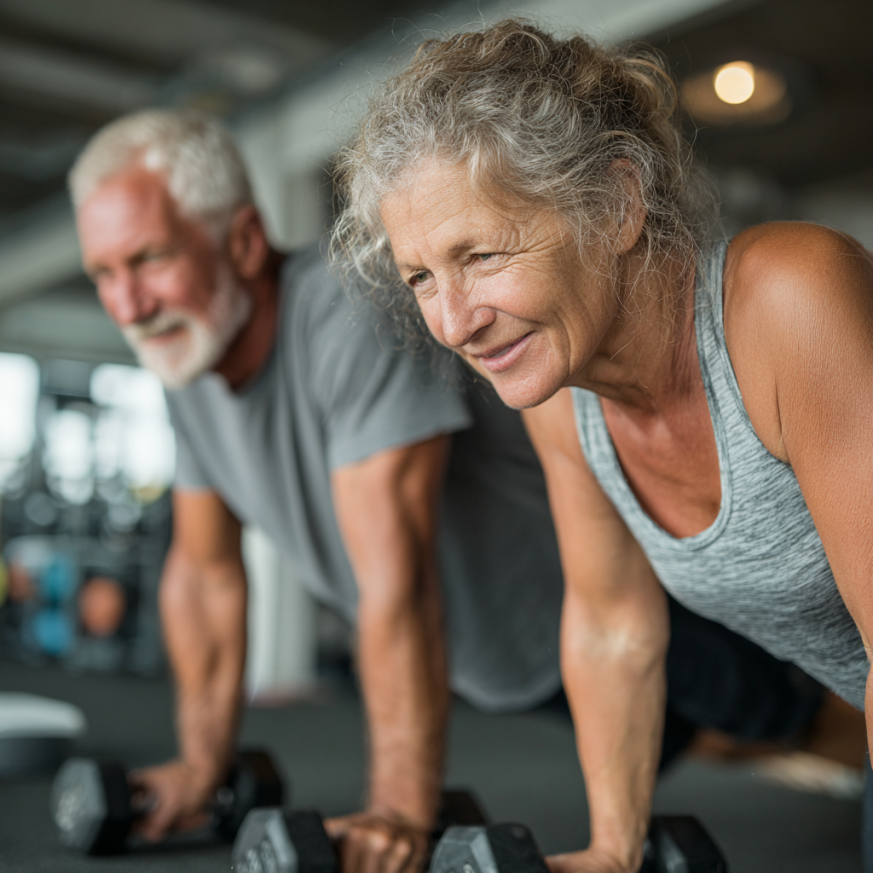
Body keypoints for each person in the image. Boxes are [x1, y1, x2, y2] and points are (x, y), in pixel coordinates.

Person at [332, 19, 873, 873]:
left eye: (480, 253)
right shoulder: (561, 393)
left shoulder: (788, 299)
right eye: (422, 276)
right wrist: (613, 851)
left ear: (617, 204)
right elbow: (612, 622)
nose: (453, 320)